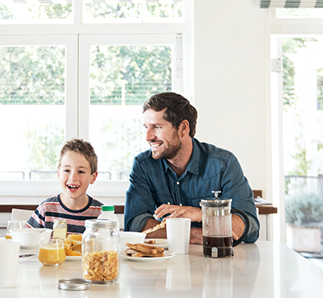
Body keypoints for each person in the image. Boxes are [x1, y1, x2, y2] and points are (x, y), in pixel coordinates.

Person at [124, 92, 259, 244]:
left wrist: (202, 214)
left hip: (218, 262)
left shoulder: (223, 164)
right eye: (146, 127)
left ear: (183, 128)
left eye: (157, 127)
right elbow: (136, 226)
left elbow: (247, 228)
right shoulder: (144, 165)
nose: (148, 137)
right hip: (167, 261)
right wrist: (196, 235)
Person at [27, 138, 103, 234]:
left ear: (93, 177)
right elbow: (27, 242)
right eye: (67, 170)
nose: (73, 178)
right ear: (59, 174)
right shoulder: (46, 209)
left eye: (81, 171)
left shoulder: (101, 214)